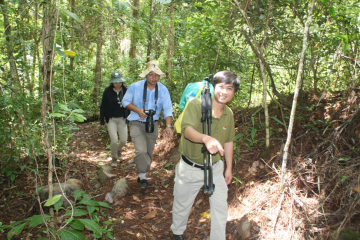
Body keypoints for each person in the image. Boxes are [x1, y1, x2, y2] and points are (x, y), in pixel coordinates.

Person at [171, 71, 240, 240]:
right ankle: (178, 233)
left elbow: (229, 141)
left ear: (233, 92)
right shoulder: (196, 105)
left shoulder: (228, 114)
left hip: (215, 167)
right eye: (221, 87)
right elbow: (187, 131)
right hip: (190, 167)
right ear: (213, 87)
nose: (224, 92)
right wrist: (206, 138)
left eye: (229, 88)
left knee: (220, 207)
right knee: (182, 204)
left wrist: (229, 168)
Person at [122, 60, 173, 189]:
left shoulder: (163, 90)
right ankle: (143, 176)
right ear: (146, 75)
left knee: (149, 152)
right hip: (136, 122)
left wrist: (168, 126)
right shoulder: (135, 87)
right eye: (151, 74)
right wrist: (138, 110)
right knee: (141, 150)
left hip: (153, 123)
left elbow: (167, 109)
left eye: (156, 75)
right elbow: (125, 102)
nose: (153, 77)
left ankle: (142, 172)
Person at [100, 71, 130, 167]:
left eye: (119, 81)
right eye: (115, 82)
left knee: (123, 141)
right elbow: (103, 106)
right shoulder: (107, 91)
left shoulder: (126, 90)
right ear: (112, 82)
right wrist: (102, 121)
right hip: (111, 119)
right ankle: (114, 158)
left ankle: (118, 150)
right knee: (114, 140)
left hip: (122, 118)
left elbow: (131, 103)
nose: (117, 83)